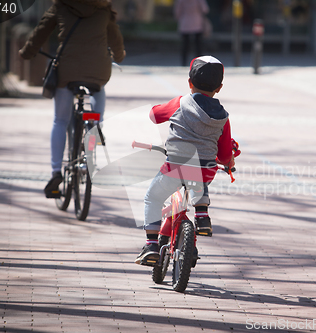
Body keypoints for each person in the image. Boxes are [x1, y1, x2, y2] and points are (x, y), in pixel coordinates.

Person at [19, 0, 126, 198]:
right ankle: (92, 142)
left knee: (60, 120)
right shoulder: (103, 9)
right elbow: (116, 39)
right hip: (98, 70)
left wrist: (27, 52)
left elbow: (41, 31)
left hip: (67, 71)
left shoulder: (61, 6)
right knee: (96, 106)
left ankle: (55, 172)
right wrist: (119, 56)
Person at [135, 55, 235, 266]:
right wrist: (229, 162)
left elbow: (154, 115)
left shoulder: (180, 103)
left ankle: (151, 245)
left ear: (190, 83)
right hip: (205, 170)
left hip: (176, 167)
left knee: (152, 198)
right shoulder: (223, 117)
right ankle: (201, 215)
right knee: (199, 176)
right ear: (219, 88)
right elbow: (225, 153)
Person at [174, 0, 209, 66]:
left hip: (185, 23)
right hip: (197, 23)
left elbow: (177, 13)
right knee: (198, 46)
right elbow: (205, 9)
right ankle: (200, 63)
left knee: (185, 45)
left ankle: (184, 63)